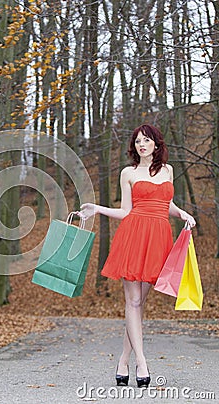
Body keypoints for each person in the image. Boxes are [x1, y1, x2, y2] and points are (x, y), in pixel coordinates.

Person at [78, 124, 196, 388]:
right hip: (134, 235)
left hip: (158, 238)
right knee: (132, 301)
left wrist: (183, 214)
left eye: (147, 140)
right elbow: (125, 211)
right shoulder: (128, 173)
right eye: (138, 141)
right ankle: (141, 363)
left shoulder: (168, 171)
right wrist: (98, 209)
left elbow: (167, 204)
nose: (142, 145)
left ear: (156, 144)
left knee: (139, 303)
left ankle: (123, 359)